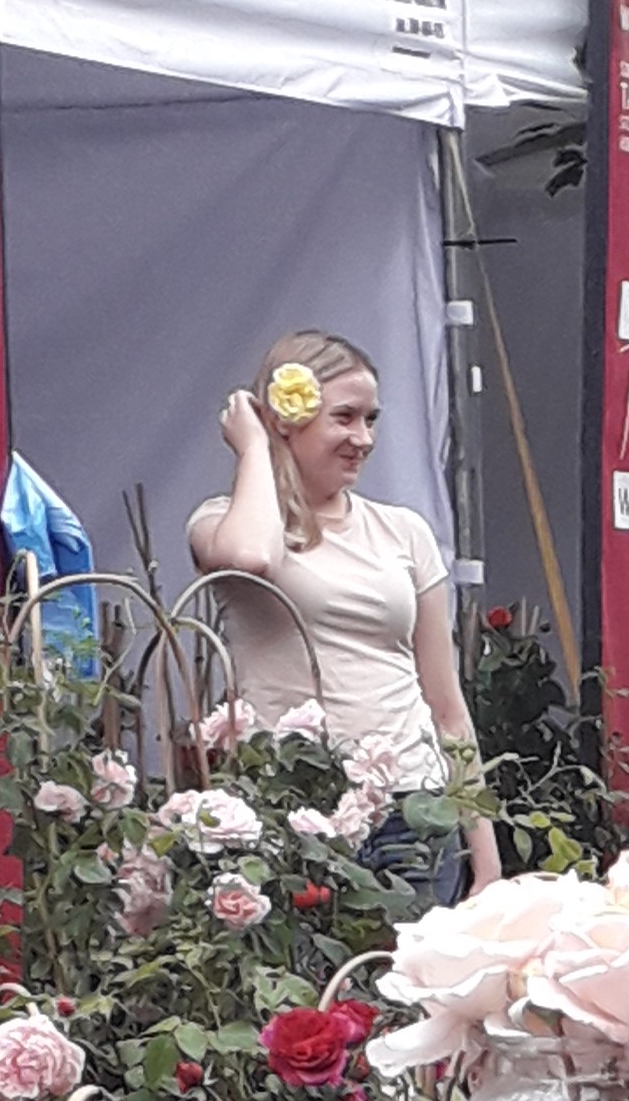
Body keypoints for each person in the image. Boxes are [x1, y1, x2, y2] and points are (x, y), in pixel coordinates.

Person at [188, 327, 488, 834]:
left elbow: (447, 705)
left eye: (371, 419)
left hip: (413, 802)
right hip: (296, 805)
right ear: (286, 420)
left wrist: (485, 855)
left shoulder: (404, 530)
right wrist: (255, 446)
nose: (363, 439)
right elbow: (251, 556)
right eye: (344, 417)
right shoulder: (219, 521)